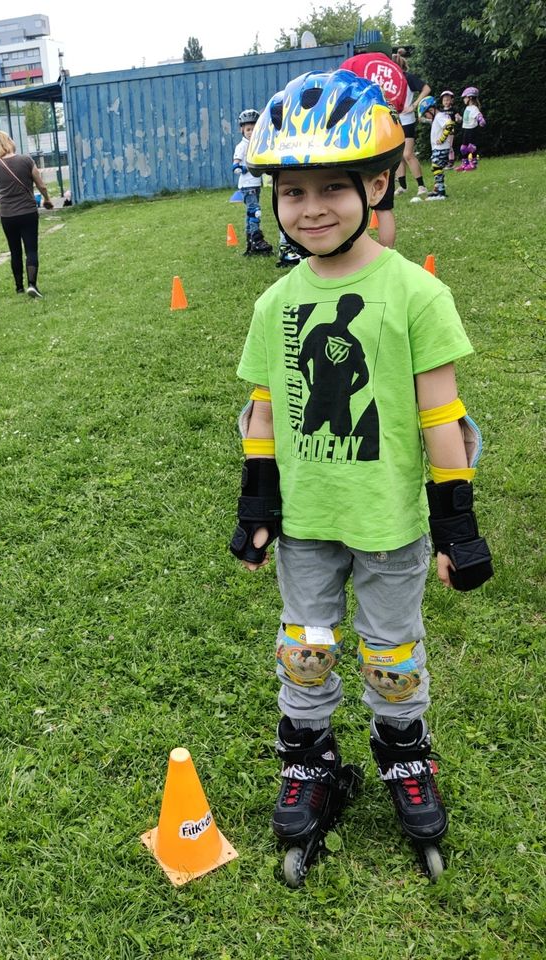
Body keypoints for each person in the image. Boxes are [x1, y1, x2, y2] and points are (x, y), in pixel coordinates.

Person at [233, 70, 493, 883]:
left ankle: (405, 755)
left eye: (332, 190)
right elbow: (265, 414)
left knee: (392, 652)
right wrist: (257, 503)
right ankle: (309, 767)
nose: (310, 208)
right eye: (293, 191)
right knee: (305, 650)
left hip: (390, 521)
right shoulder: (276, 302)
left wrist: (458, 525)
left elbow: (440, 417)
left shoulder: (416, 292)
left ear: (378, 183)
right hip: (307, 524)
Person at [339, 52, 409, 249]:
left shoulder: (355, 62)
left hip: (359, 137)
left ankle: (350, 250)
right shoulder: (397, 71)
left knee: (351, 199)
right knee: (384, 207)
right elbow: (400, 107)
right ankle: (386, 254)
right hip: (389, 138)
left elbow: (337, 90)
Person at [0, 130, 53, 299]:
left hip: (7, 214)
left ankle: (18, 288)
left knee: (14, 251)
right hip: (27, 212)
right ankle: (32, 285)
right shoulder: (25, 160)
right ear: (8, 141)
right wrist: (47, 199)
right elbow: (41, 185)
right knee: (31, 249)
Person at [233, 109, 275, 258]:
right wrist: (243, 168)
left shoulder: (257, 144)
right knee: (255, 212)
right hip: (247, 185)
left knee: (250, 214)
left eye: (253, 129)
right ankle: (257, 241)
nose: (251, 132)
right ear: (242, 130)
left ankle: (250, 244)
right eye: (248, 129)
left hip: (255, 184)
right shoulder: (242, 146)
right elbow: (235, 166)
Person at [391, 54, 430, 197]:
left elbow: (426, 88)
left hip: (407, 120)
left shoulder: (408, 77)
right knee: (397, 156)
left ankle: (421, 186)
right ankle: (402, 186)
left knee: (407, 154)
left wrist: (414, 104)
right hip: (393, 120)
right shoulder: (389, 79)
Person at [413, 95, 456, 201]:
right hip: (438, 148)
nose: (427, 116)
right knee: (436, 168)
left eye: (426, 113)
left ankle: (441, 192)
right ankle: (438, 189)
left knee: (436, 167)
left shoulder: (440, 116)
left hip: (441, 148)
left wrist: (442, 139)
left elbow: (450, 125)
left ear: (431, 109)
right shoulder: (437, 117)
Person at [458, 86, 486, 170]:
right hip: (466, 129)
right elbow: (468, 118)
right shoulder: (467, 108)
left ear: (470, 97)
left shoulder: (474, 108)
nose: (463, 99)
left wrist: (481, 121)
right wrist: (460, 119)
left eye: (465, 98)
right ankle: (465, 163)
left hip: (472, 130)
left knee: (471, 147)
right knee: (463, 148)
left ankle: (473, 163)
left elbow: (478, 115)